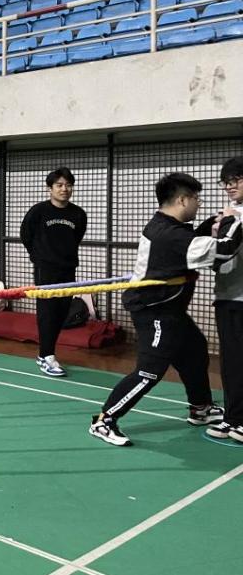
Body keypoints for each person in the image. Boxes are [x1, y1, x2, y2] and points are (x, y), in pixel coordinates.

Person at [89, 173, 241, 447]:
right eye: (196, 198)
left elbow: (192, 241)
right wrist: (233, 220)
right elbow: (224, 249)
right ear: (182, 200)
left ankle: (201, 408)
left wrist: (212, 223)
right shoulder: (169, 234)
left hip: (170, 309)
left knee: (195, 351)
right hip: (154, 311)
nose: (198, 203)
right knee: (150, 370)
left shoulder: (169, 227)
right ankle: (104, 419)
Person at [19, 168, 88, 377]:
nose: (64, 189)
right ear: (50, 188)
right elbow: (25, 234)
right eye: (59, 185)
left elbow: (77, 237)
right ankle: (46, 356)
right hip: (46, 269)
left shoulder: (78, 214)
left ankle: (46, 353)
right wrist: (38, 257)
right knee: (48, 311)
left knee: (62, 311)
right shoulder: (39, 211)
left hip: (68, 268)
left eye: (68, 185)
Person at [206, 157, 243, 442]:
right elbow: (215, 257)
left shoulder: (233, 216)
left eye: (236, 180)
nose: (230, 186)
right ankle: (233, 417)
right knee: (230, 362)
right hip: (227, 295)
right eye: (226, 182)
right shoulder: (227, 213)